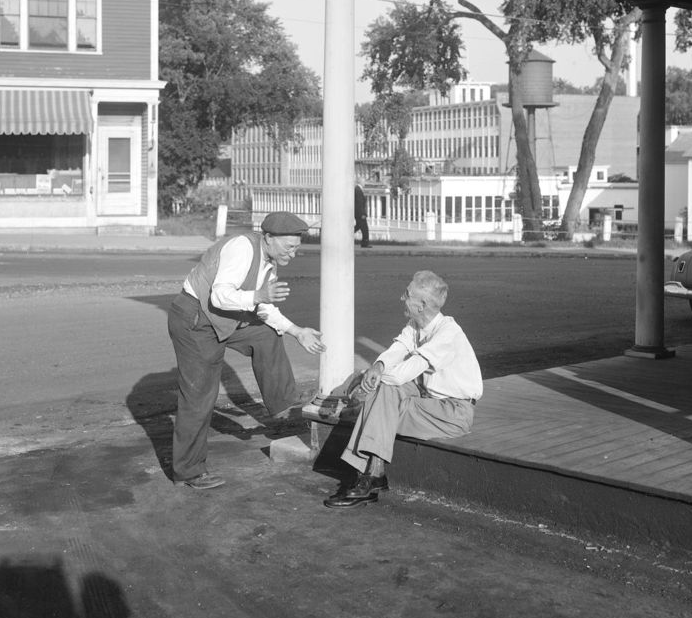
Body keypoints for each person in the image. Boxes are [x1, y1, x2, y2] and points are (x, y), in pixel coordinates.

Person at [168, 211, 326, 490]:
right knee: (200, 395)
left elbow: (263, 309)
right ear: (268, 238)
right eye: (289, 247)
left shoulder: (269, 262)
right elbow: (220, 295)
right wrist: (257, 296)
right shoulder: (242, 248)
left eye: (297, 248)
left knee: (266, 334)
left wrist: (297, 331)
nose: (293, 253)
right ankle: (188, 471)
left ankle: (284, 405)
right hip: (196, 319)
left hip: (223, 318)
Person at [323, 270, 482, 508]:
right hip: (429, 401)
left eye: (407, 294)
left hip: (453, 412)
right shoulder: (417, 324)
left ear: (422, 305)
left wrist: (367, 375)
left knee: (381, 401)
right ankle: (373, 475)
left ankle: (370, 476)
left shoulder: (448, 333)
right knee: (384, 393)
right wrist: (377, 366)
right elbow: (398, 348)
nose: (401, 298)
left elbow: (405, 373)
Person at [354, 181, 371, 249]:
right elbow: (359, 203)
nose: (365, 183)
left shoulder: (357, 189)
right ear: (361, 182)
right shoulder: (358, 190)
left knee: (358, 226)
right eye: (364, 182)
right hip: (360, 213)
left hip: (358, 213)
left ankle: (345, 236)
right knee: (365, 228)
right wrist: (363, 213)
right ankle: (365, 243)